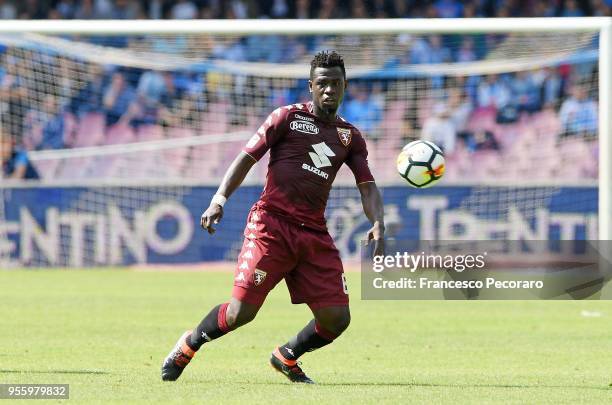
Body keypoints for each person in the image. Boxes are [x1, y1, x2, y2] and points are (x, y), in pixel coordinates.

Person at [161, 51, 385, 384]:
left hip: (313, 234)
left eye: (335, 84)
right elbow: (246, 158)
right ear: (311, 86)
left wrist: (377, 221)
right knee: (240, 314)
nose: (329, 91)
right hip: (272, 225)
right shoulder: (286, 117)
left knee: (337, 318)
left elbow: (367, 186)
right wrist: (218, 200)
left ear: (344, 86)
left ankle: (287, 356)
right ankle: (189, 344)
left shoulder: (349, 137)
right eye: (322, 84)